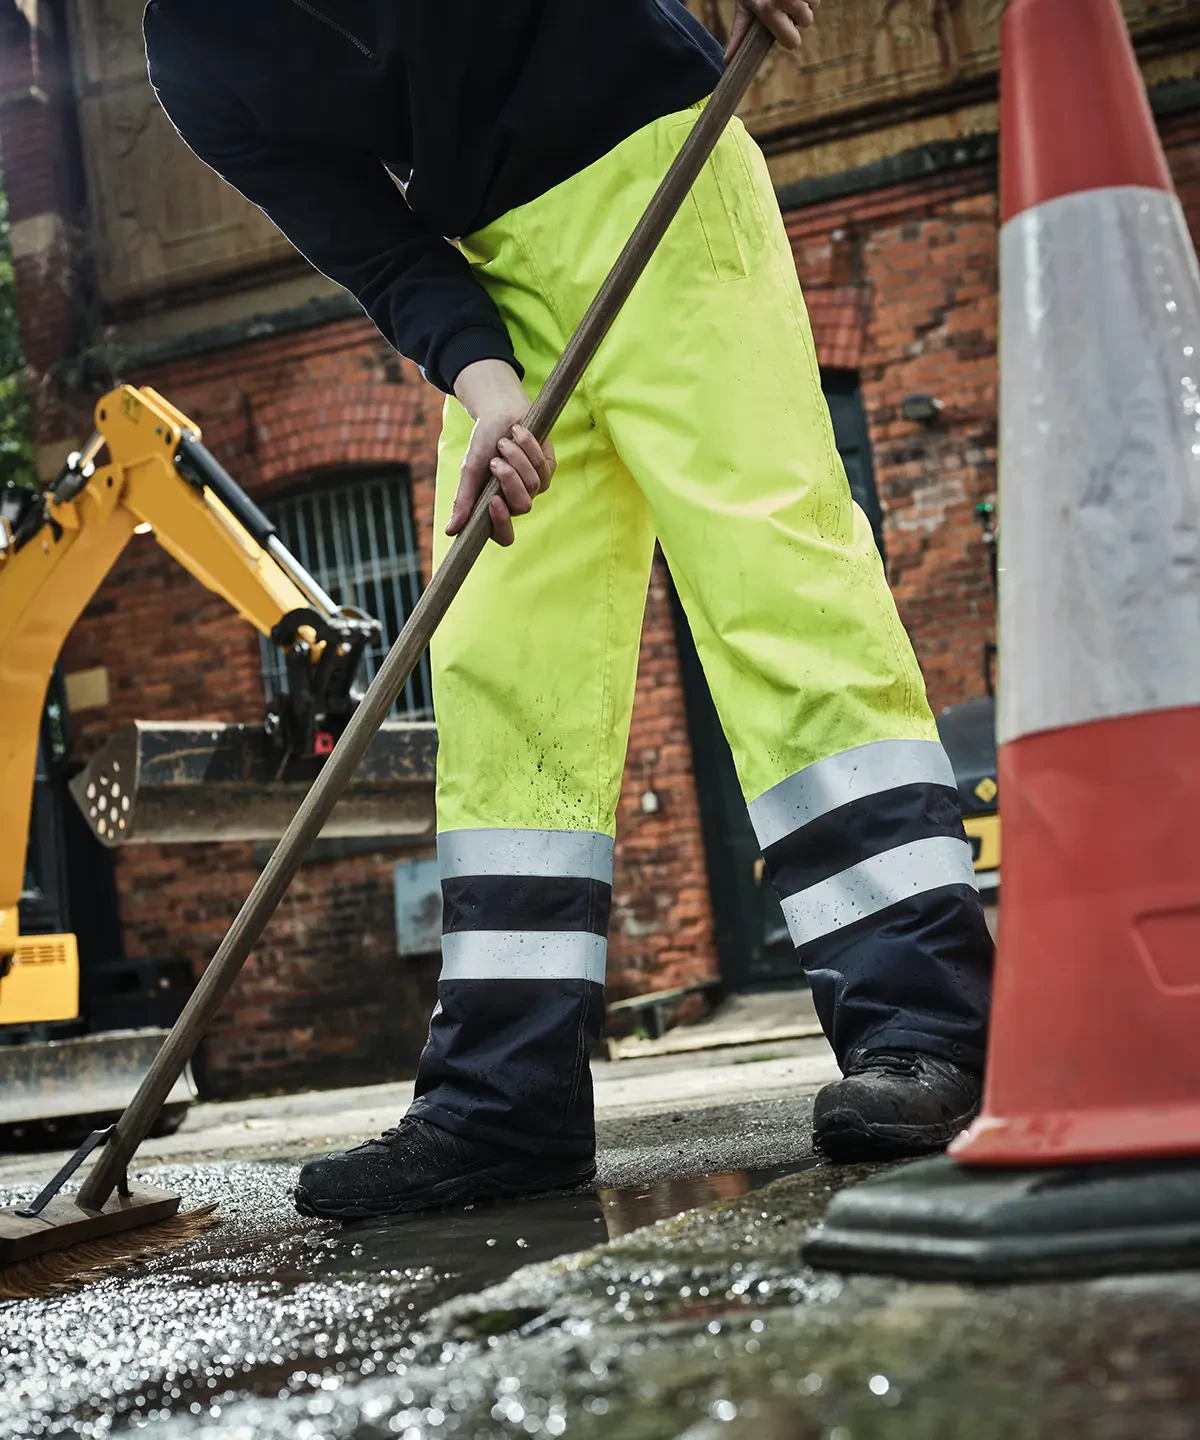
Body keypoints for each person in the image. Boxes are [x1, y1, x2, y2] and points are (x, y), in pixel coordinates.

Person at [144, 0, 993, 1220]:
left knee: (778, 593)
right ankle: (504, 1104)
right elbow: (382, 248)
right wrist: (488, 391)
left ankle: (930, 1030)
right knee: (504, 666)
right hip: (497, 285)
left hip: (662, 166)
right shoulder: (193, 54)